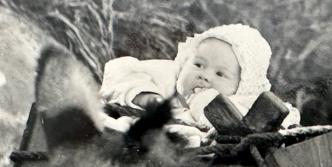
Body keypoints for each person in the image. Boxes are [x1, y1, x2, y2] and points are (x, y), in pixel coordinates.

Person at [99, 24, 299, 142]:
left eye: (220, 74)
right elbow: (122, 75)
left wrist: (209, 106)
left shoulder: (246, 104)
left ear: (242, 86)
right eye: (198, 64)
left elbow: (280, 124)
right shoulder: (170, 79)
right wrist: (145, 97)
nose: (205, 76)